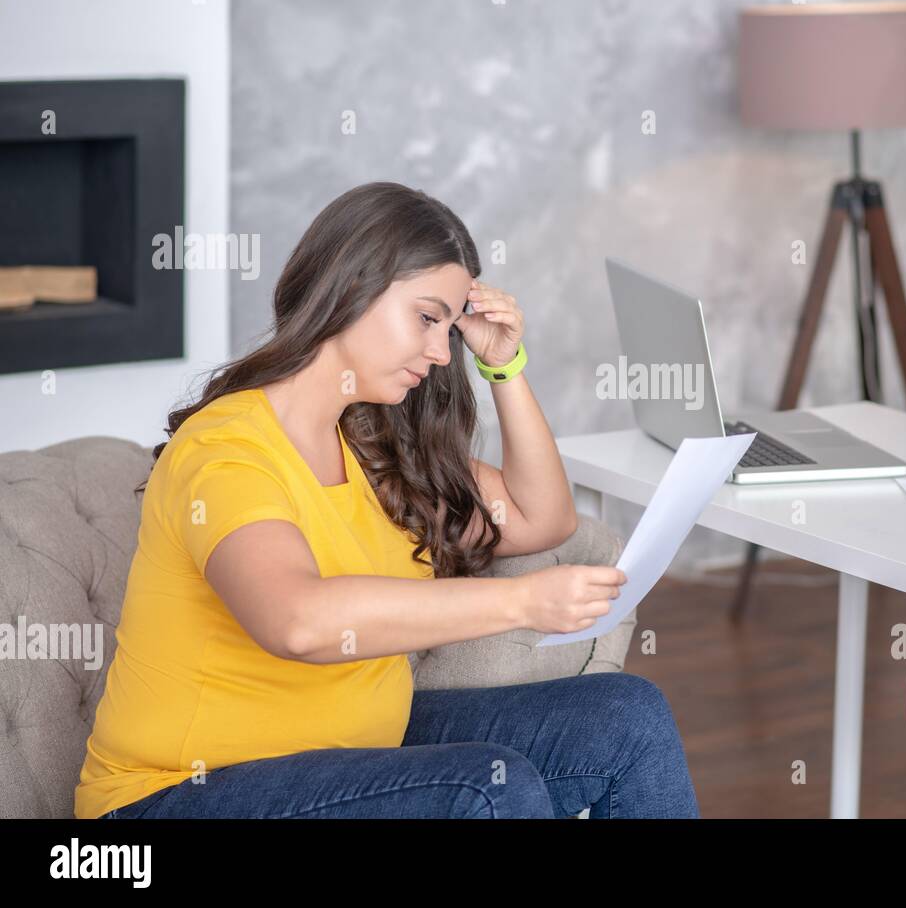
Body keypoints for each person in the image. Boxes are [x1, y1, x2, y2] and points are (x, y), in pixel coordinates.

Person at [76, 181, 699, 819]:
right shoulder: (227, 448)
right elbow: (296, 620)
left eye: (450, 329)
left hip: (348, 758)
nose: (438, 351)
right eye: (426, 318)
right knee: (490, 787)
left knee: (626, 719)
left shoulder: (369, 444)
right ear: (351, 287)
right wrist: (521, 601)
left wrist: (505, 367)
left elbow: (542, 519)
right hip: (174, 799)